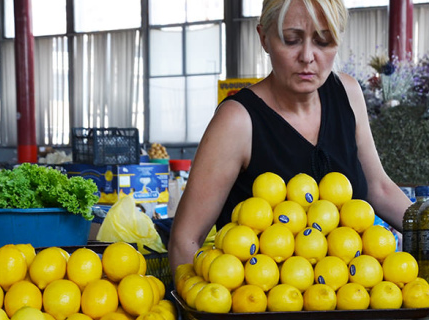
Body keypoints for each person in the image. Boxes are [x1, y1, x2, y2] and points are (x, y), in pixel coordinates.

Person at [169, 0, 412, 272]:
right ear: (264, 38)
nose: (307, 56)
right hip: (262, 304)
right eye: (292, 40)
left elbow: (378, 187)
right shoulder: (237, 122)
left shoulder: (348, 93)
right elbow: (185, 240)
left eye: (323, 41)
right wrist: (203, 307)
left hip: (351, 300)